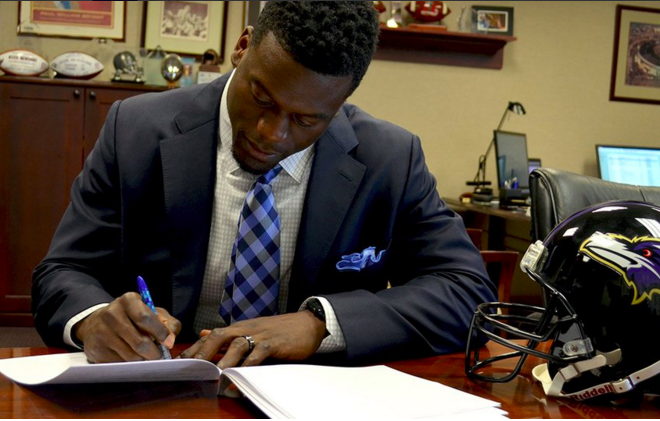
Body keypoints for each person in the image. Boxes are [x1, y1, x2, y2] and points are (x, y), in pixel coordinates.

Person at [32, 1, 495, 368]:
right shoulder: (135, 129)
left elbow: (466, 291)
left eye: (307, 119)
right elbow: (62, 271)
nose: (272, 134)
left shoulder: (389, 158)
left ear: (342, 101)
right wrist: (94, 320)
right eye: (261, 97)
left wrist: (320, 324)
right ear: (242, 47)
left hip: (313, 396)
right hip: (164, 384)